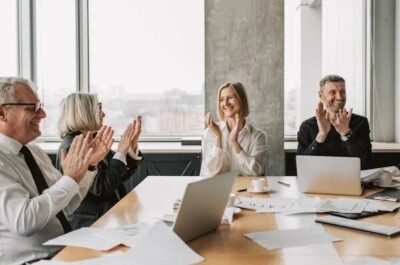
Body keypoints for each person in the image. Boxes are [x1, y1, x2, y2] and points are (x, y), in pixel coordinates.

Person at [0, 77, 113, 265]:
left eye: (41, 106)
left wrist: (88, 168)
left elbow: (66, 205)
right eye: (32, 108)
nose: (43, 114)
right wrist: (70, 179)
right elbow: (24, 221)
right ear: (3, 113)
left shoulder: (34, 151)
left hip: (64, 253)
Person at [56, 92, 142, 229]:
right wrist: (121, 152)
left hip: (109, 219)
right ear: (84, 112)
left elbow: (120, 175)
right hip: (92, 226)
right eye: (99, 109)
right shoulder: (72, 147)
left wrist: (130, 147)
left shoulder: (92, 139)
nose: (103, 114)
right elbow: (101, 188)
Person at [297, 74, 372, 169]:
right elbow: (302, 167)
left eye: (342, 92)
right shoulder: (307, 126)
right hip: (319, 181)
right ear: (321, 96)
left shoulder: (361, 123)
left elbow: (366, 164)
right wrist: (321, 134)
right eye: (333, 92)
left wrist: (346, 133)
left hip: (351, 182)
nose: (339, 97)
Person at [200, 82, 268, 177]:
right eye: (222, 99)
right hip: (216, 190)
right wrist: (218, 137)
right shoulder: (210, 133)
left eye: (230, 98)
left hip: (246, 190)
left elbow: (256, 173)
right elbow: (212, 173)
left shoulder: (258, 136)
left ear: (242, 100)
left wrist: (234, 142)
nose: (226, 103)